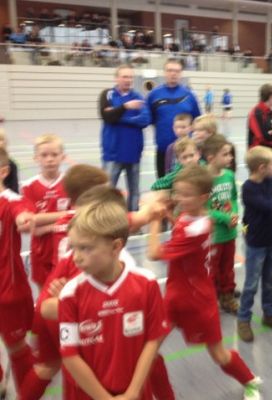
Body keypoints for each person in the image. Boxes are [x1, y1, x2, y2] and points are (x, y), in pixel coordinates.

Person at [147, 165, 262, 400]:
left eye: (185, 194)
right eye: (177, 193)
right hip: (175, 296)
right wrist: (168, 213)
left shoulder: (197, 228)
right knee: (147, 352)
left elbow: (154, 253)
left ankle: (249, 380)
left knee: (218, 354)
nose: (179, 198)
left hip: (197, 301)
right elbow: (181, 225)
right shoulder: (194, 216)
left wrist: (155, 221)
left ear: (203, 198)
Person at [58, 201, 170, 399]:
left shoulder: (146, 284)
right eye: (73, 248)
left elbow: (153, 340)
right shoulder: (70, 293)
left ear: (116, 246)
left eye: (85, 248)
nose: (76, 258)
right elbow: (70, 356)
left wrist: (133, 392)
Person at [237, 146, 272, 342]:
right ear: (261, 168)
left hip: (271, 239)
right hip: (256, 243)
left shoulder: (268, 181)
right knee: (251, 284)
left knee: (269, 280)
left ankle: (270, 314)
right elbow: (268, 205)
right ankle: (243, 319)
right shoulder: (249, 188)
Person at [0, 148, 35, 396]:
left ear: (3, 172)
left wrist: (24, 219)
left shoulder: (11, 201)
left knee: (17, 348)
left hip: (6, 290)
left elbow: (22, 212)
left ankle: (28, 393)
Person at [99, 64, 150, 211]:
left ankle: (133, 219)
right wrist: (126, 108)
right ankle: (106, 218)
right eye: (124, 77)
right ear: (116, 78)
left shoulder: (138, 97)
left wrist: (120, 118)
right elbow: (107, 116)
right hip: (113, 153)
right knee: (106, 191)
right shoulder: (108, 94)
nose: (128, 80)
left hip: (133, 153)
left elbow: (145, 120)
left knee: (134, 191)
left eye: (130, 77)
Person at [21, 134, 70, 288]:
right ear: (36, 158)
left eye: (54, 155)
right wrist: (62, 219)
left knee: (65, 293)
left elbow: (76, 218)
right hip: (40, 251)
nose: (50, 159)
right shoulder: (28, 186)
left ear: (63, 157)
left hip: (65, 249)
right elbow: (30, 224)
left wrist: (43, 224)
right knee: (43, 293)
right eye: (44, 155)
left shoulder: (70, 183)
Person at [203, 135, 240, 313]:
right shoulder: (204, 180)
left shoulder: (229, 175)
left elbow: (233, 198)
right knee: (212, 269)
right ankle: (211, 298)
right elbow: (205, 208)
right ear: (211, 158)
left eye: (230, 154)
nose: (230, 157)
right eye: (225, 154)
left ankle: (227, 296)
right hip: (214, 235)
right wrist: (225, 218)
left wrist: (234, 214)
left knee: (228, 267)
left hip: (229, 233)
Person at [147, 58, 201, 178]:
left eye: (177, 71)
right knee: (163, 185)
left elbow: (197, 121)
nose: (173, 73)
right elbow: (150, 119)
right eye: (170, 70)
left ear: (181, 73)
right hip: (163, 150)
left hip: (187, 153)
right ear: (165, 72)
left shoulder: (189, 96)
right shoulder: (154, 95)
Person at [247, 83, 272, 151]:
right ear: (270, 96)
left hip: (270, 150)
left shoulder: (271, 111)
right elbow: (262, 137)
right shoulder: (256, 113)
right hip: (259, 152)